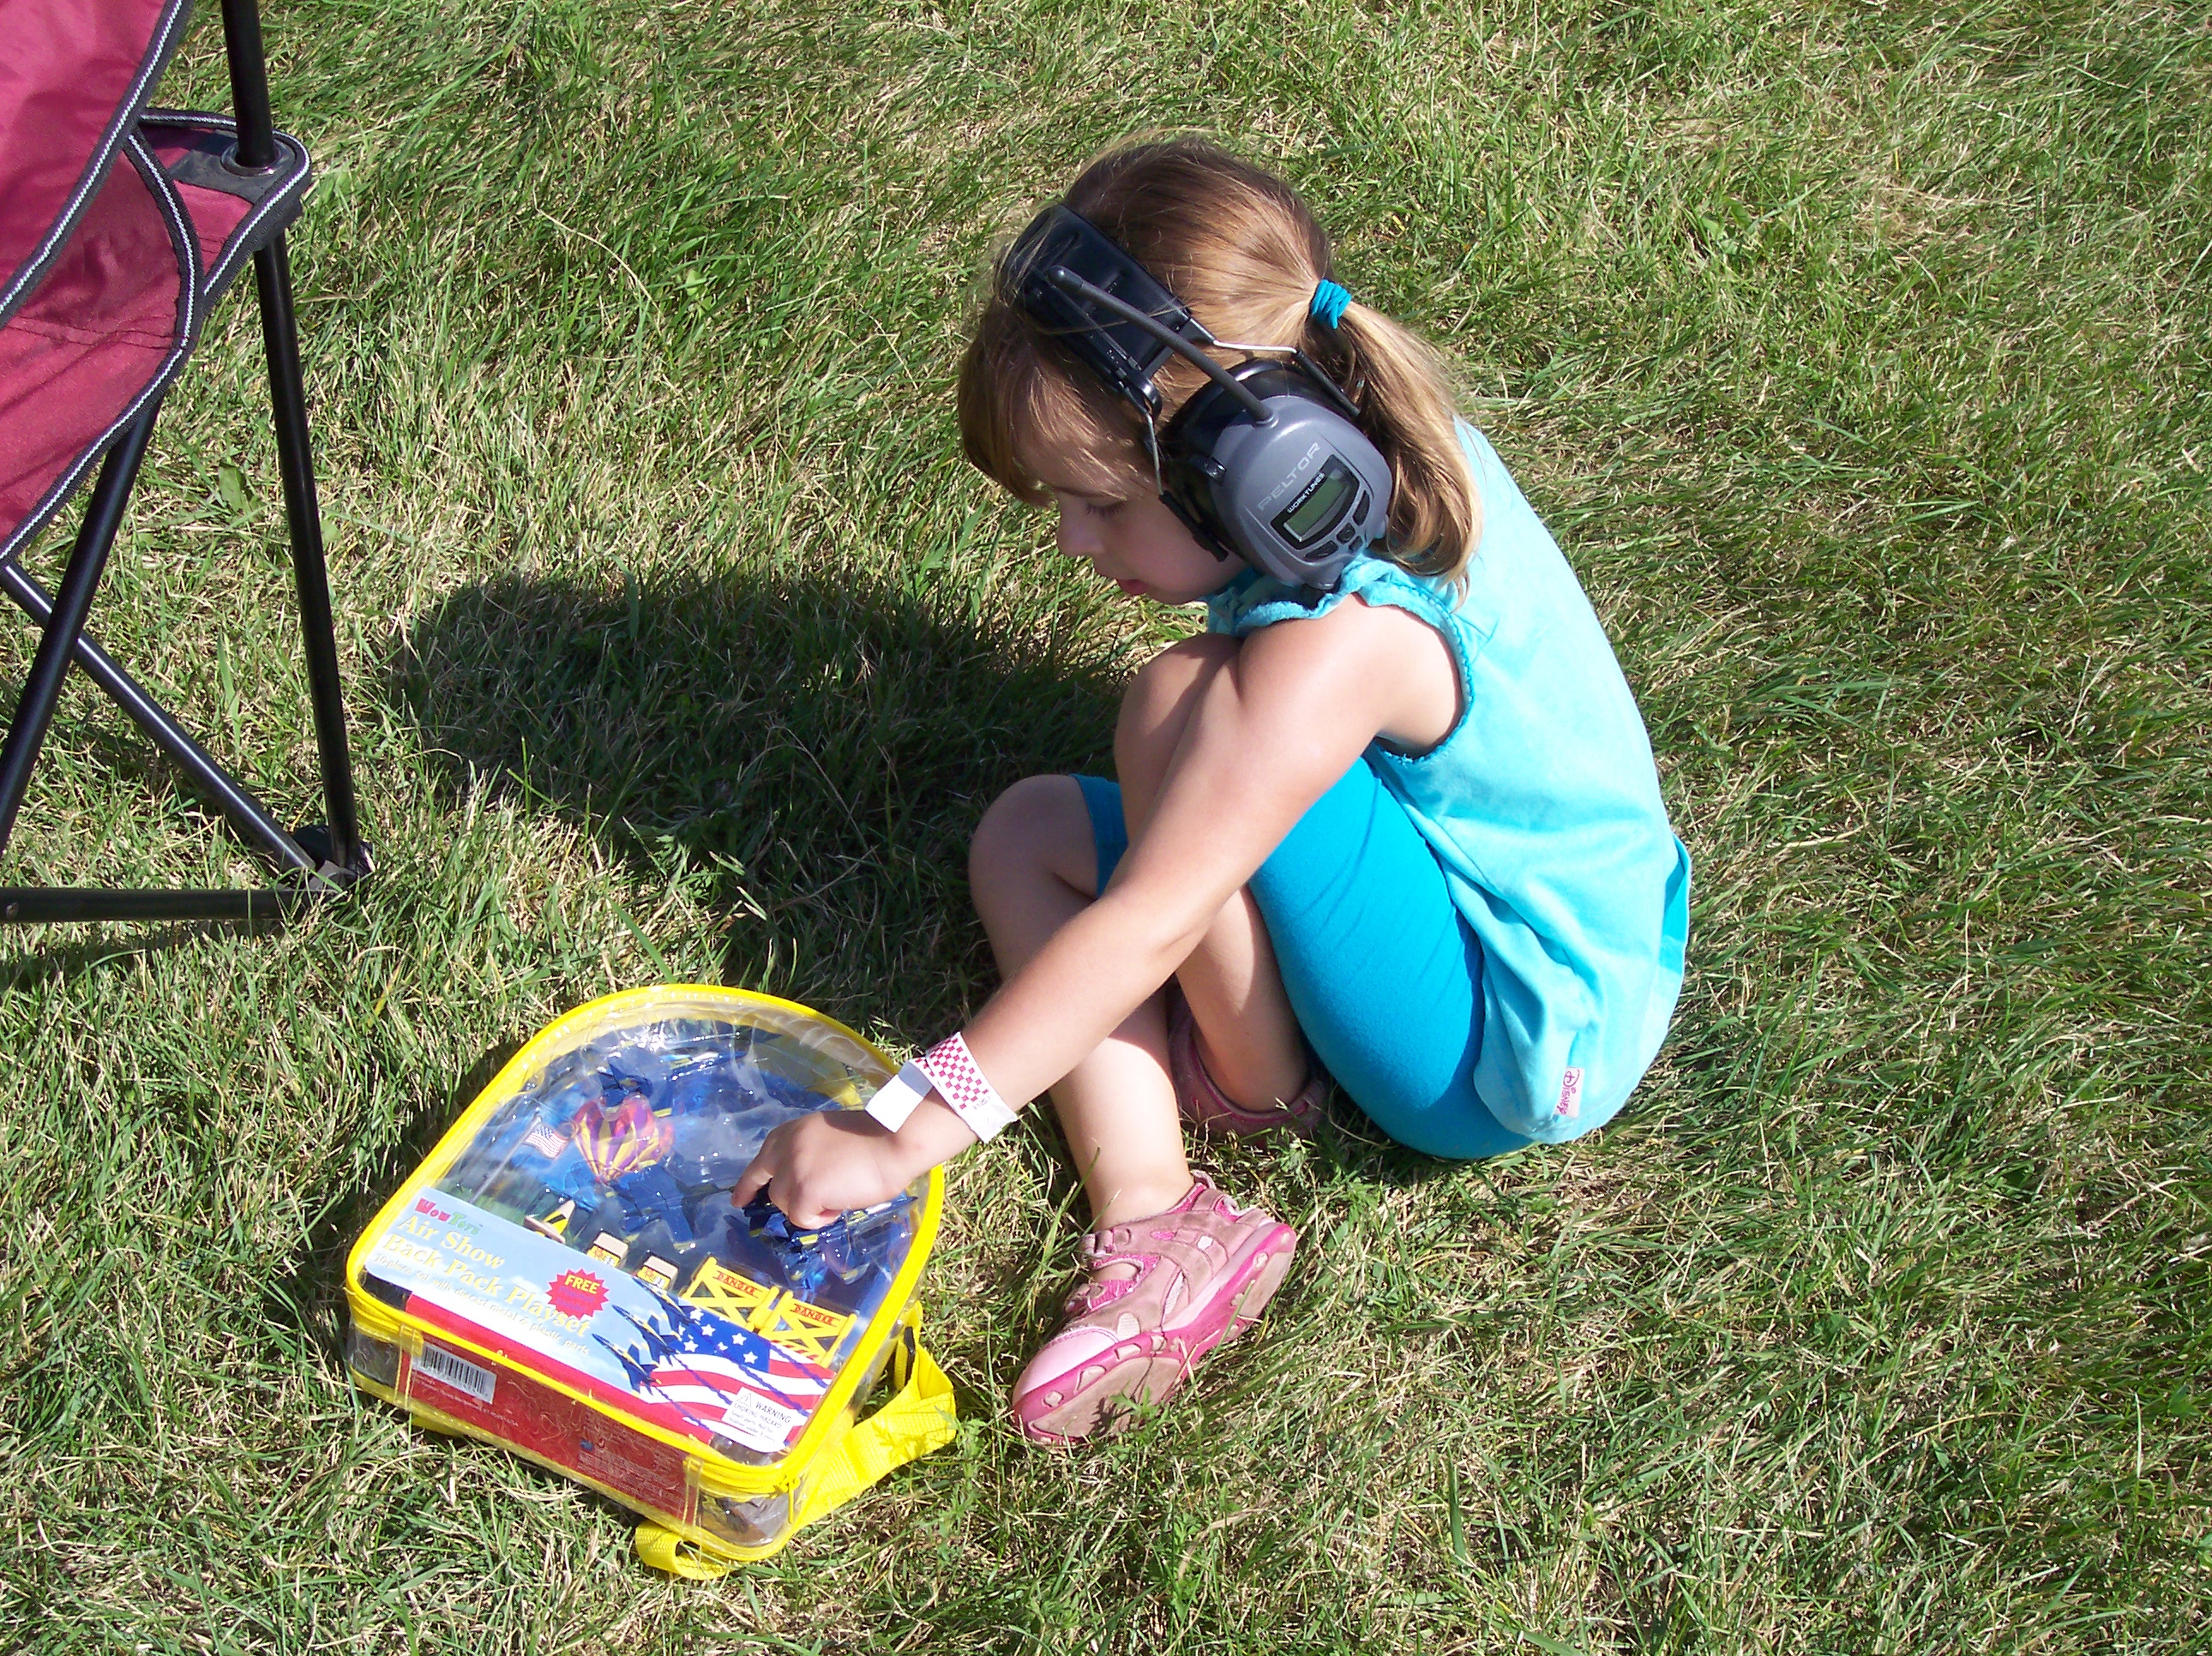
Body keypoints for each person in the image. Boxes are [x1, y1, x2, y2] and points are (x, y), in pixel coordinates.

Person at [734, 137, 1691, 1444]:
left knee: (1182, 717)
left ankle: (1212, 1151)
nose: (1073, 541)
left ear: (1247, 468)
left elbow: (1146, 920)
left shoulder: (1338, 650)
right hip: (1488, 913)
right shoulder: (1372, 450)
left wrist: (895, 1131)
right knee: (1034, 825)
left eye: (1101, 503)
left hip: (1496, 1044)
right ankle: (1197, 1146)